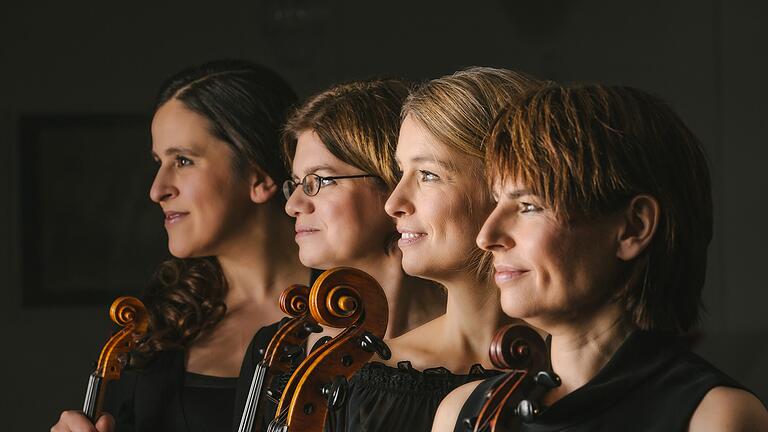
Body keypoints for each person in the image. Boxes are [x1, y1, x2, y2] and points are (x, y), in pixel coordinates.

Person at [433, 84, 768, 431]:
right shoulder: (460, 412)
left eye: (528, 207)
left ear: (633, 228)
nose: (486, 237)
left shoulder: (715, 418)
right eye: (497, 202)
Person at [52, 60, 308, 432]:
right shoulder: (158, 325)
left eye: (183, 160)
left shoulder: (358, 314)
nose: (157, 190)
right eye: (159, 162)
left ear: (259, 175)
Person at [317, 67, 543, 432]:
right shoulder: (366, 376)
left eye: (428, 175)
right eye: (400, 172)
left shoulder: (580, 369)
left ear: (504, 186)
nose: (394, 202)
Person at [282, 78, 446, 345]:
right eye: (298, 184)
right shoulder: (283, 346)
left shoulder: (479, 350)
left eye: (320, 181)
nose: (293, 205)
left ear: (392, 181)